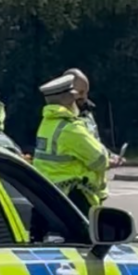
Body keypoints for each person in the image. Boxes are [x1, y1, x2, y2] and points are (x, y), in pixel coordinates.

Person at [33, 74, 110, 216]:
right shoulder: (71, 128)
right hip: (74, 198)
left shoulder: (47, 123)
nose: (76, 100)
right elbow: (100, 160)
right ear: (67, 99)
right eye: (74, 96)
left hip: (50, 196)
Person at [67, 68, 124, 167]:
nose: (84, 97)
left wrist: (109, 155)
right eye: (80, 92)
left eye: (86, 92)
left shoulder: (87, 113)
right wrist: (106, 162)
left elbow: (94, 143)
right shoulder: (63, 120)